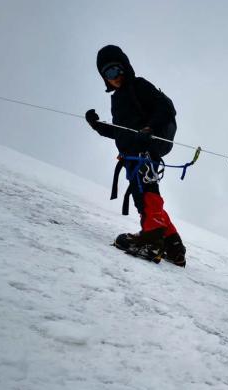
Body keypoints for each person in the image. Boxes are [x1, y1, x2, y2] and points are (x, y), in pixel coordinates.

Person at [85, 45, 186, 266]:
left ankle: (151, 242)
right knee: (146, 192)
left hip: (145, 151)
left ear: (126, 68)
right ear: (104, 78)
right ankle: (173, 246)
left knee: (145, 193)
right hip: (131, 155)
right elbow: (121, 132)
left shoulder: (139, 85)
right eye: (108, 73)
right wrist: (97, 125)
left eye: (117, 70)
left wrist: (149, 129)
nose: (115, 76)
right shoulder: (118, 99)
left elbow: (165, 109)